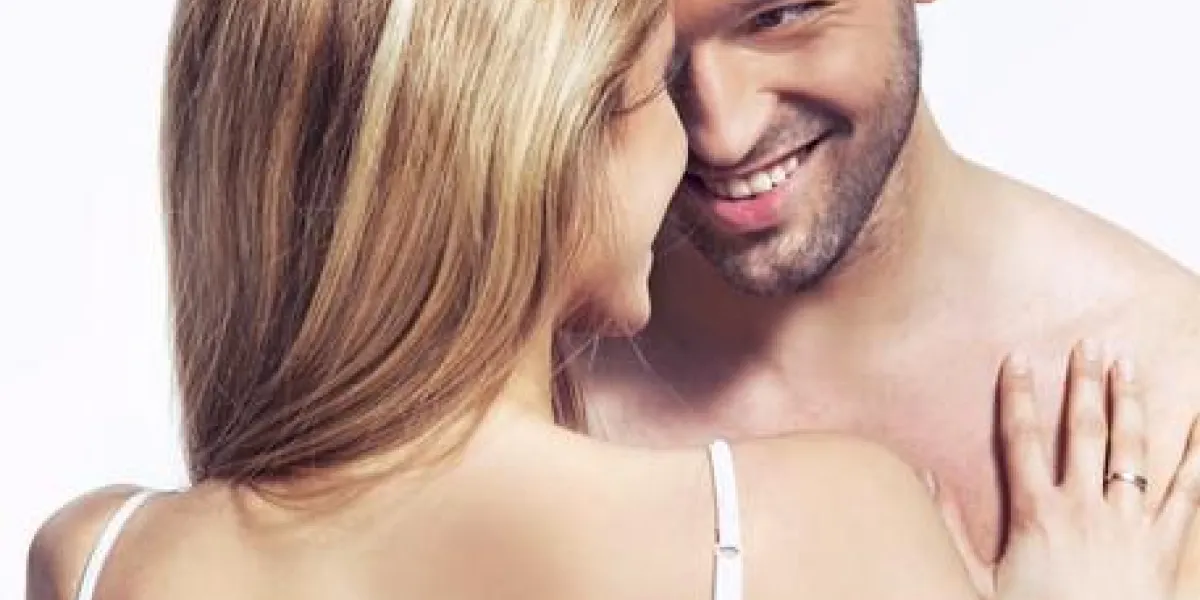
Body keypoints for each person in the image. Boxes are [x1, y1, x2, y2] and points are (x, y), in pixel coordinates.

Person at [21, 0, 1200, 599]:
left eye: (778, 12)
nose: (719, 129)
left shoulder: (98, 550)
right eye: (650, 70)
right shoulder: (813, 513)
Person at [576, 0, 1200, 579]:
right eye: (637, 52)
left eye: (777, 17)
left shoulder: (1174, 398)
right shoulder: (538, 375)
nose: (724, 134)